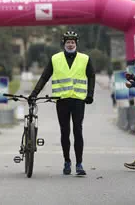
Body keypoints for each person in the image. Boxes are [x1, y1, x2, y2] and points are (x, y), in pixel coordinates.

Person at [29, 31, 95, 176]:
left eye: (73, 42)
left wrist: (90, 94)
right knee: (65, 132)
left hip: (78, 100)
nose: (70, 44)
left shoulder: (85, 59)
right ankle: (67, 162)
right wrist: (34, 94)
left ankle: (79, 163)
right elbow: (44, 77)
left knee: (78, 131)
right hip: (62, 100)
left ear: (76, 44)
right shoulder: (55, 59)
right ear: (64, 44)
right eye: (68, 42)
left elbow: (91, 76)